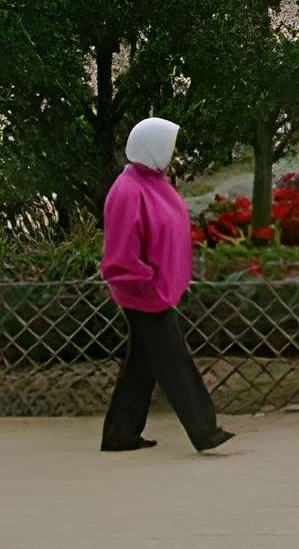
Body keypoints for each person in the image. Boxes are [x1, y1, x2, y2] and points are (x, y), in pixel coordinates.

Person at [99, 118, 231, 454]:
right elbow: (120, 251)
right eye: (167, 145)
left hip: (153, 288)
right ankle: (205, 431)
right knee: (174, 360)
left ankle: (120, 434)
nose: (172, 153)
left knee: (142, 364)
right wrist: (145, 282)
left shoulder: (151, 182)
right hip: (142, 292)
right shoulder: (129, 190)